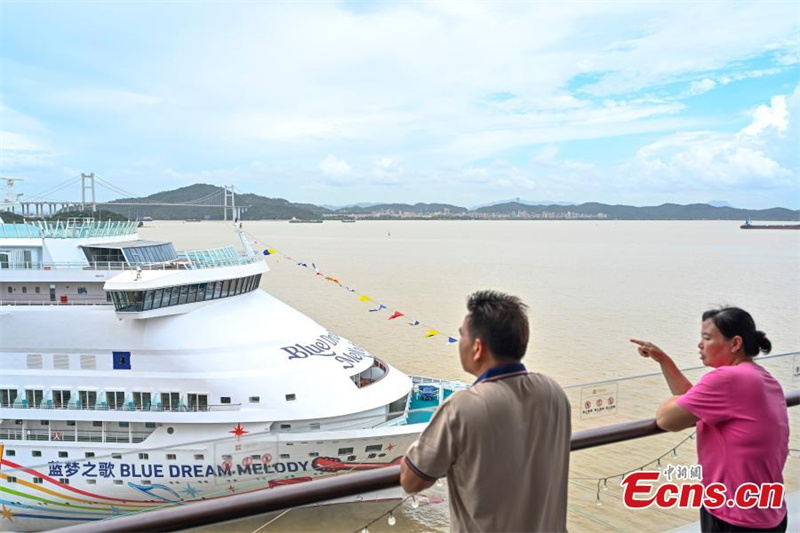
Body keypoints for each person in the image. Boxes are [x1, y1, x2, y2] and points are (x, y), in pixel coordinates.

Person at [400, 290, 571, 532]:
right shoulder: (553, 392)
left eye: (462, 336)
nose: (460, 343)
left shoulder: (463, 407)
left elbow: (411, 480)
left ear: (478, 348)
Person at [632, 307, 789, 532]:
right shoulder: (760, 376)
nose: (700, 344)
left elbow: (667, 420)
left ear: (735, 343)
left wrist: (669, 404)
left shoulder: (727, 379)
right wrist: (664, 361)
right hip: (768, 511)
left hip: (735, 517)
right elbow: (697, 403)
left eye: (707, 338)